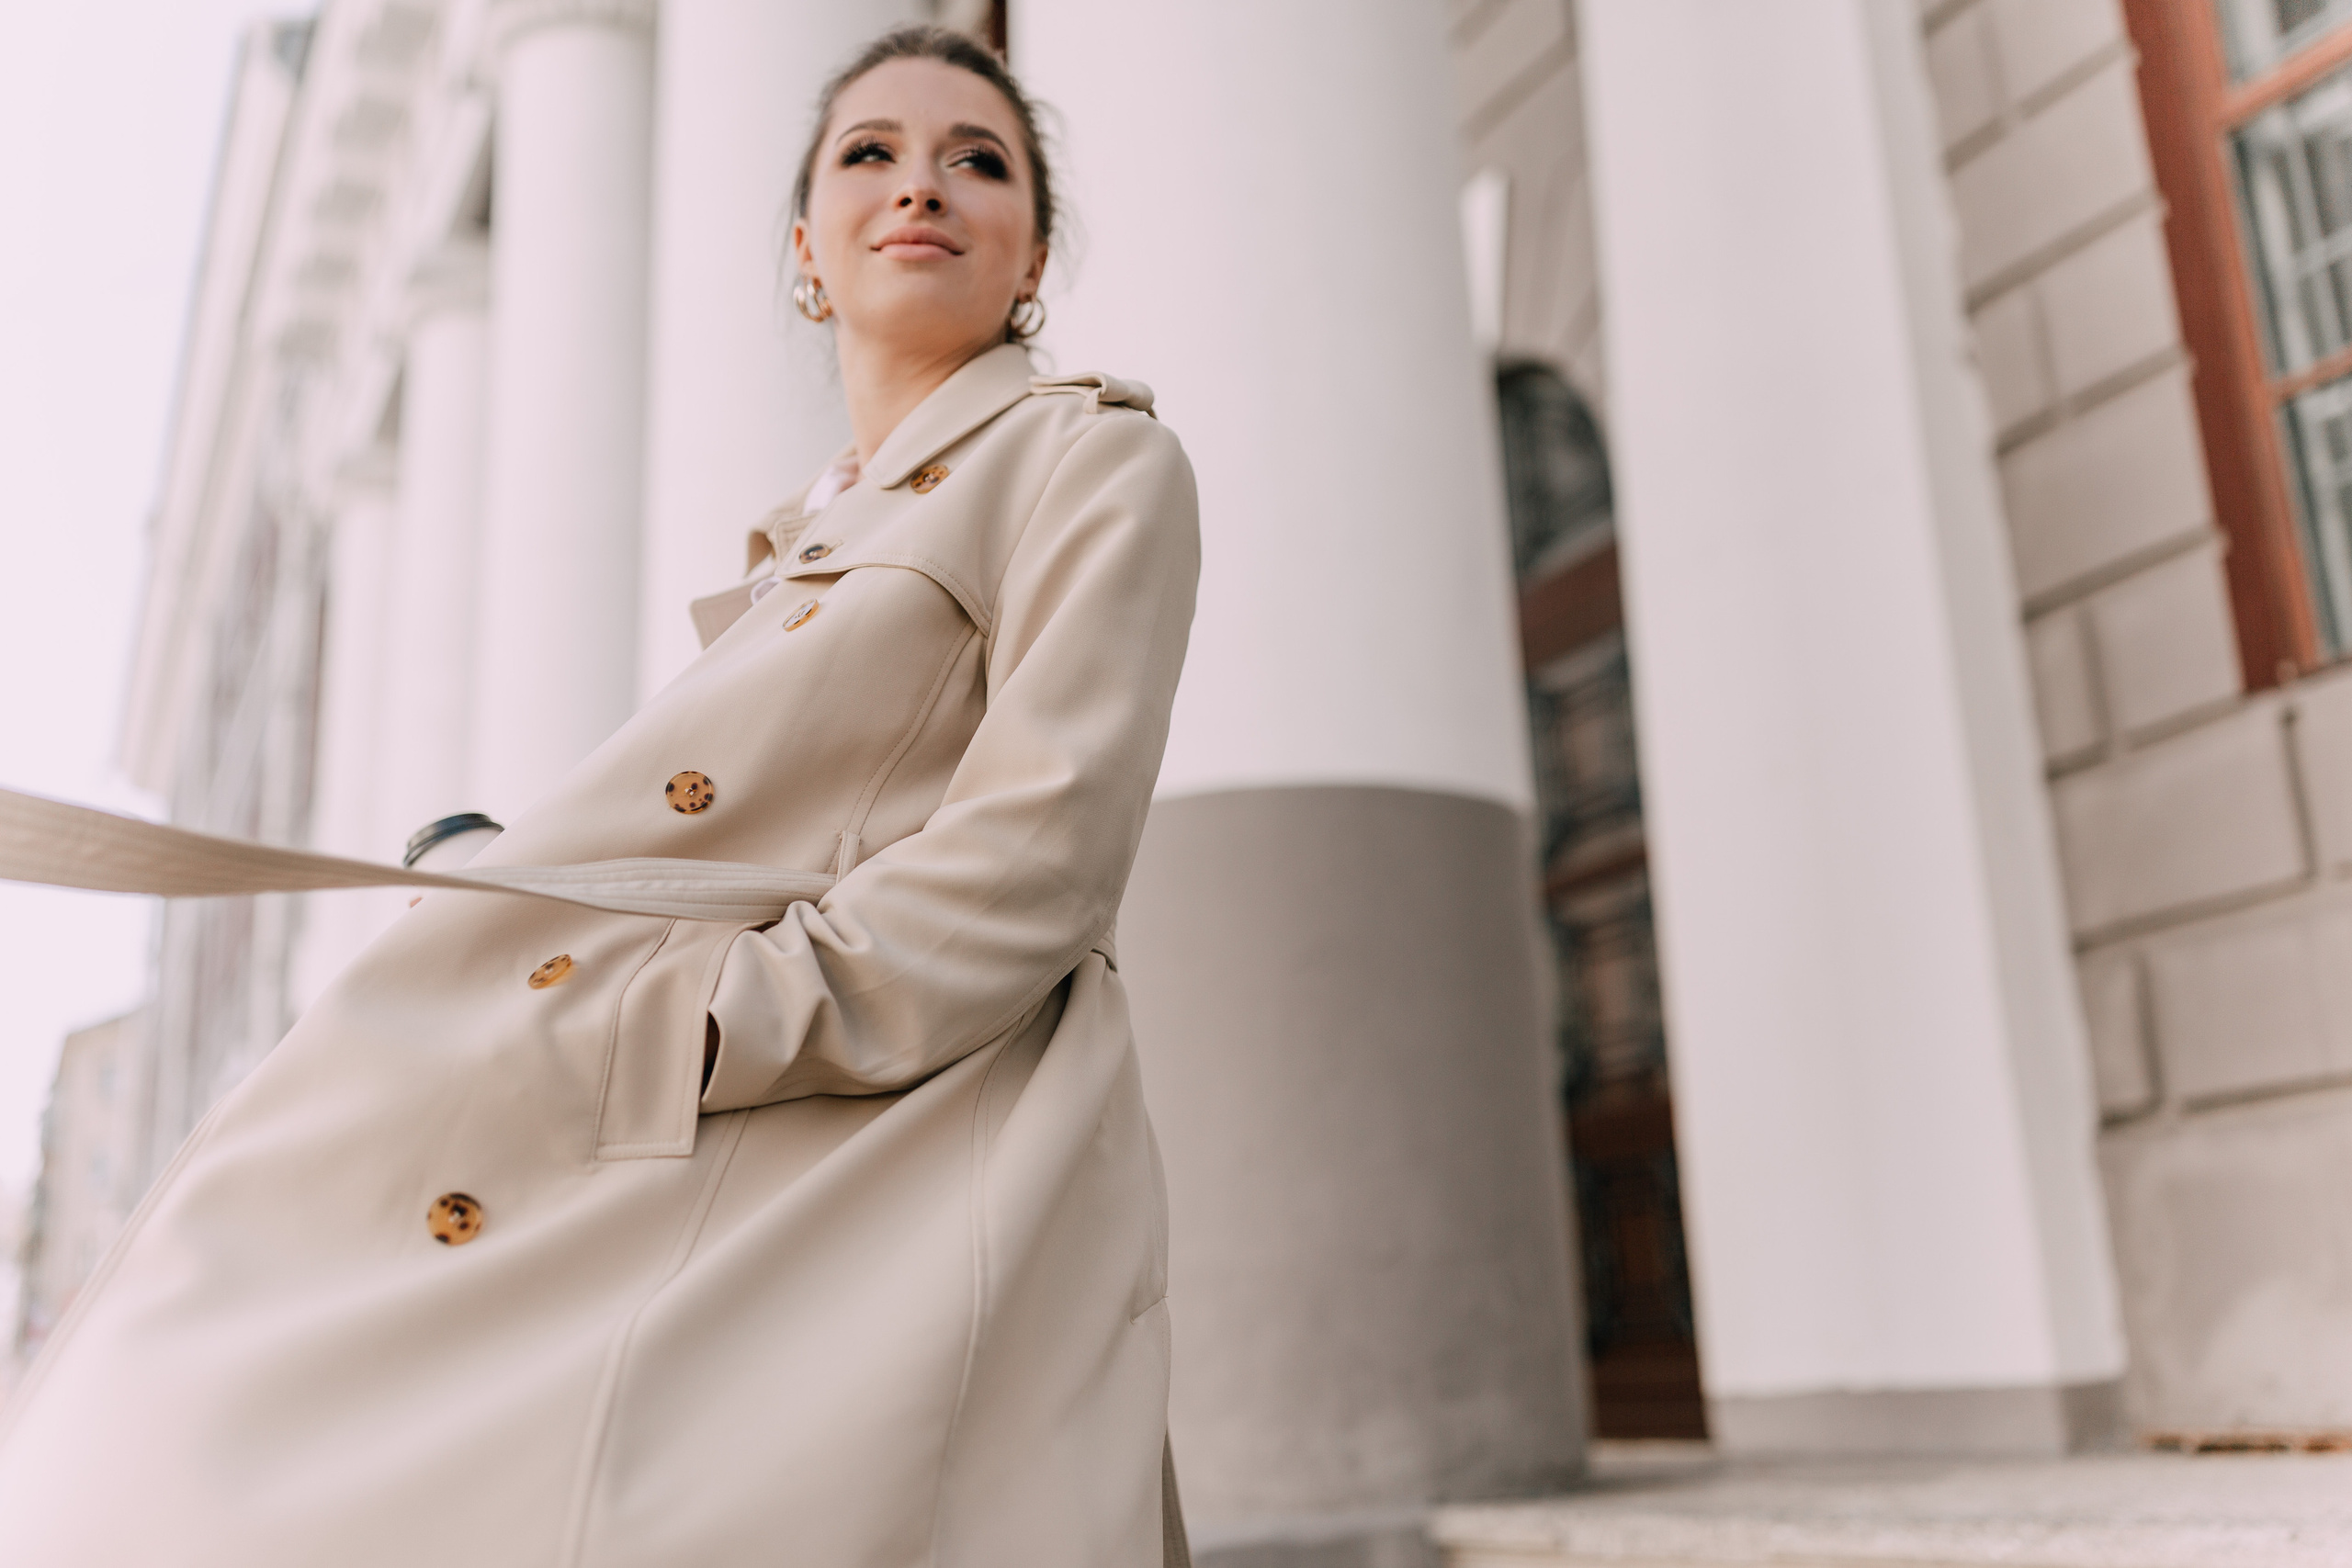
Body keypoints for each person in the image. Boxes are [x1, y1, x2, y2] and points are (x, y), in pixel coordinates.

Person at [0, 26, 1200, 1567]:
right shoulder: (799, 545)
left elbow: (1044, 842)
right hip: (693, 1108)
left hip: (870, 1125)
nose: (924, 186)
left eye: (979, 161)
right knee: (187, 1398)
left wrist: (703, 1020)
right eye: (870, 154)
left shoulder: (1086, 457)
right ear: (805, 254)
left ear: (1032, 254)